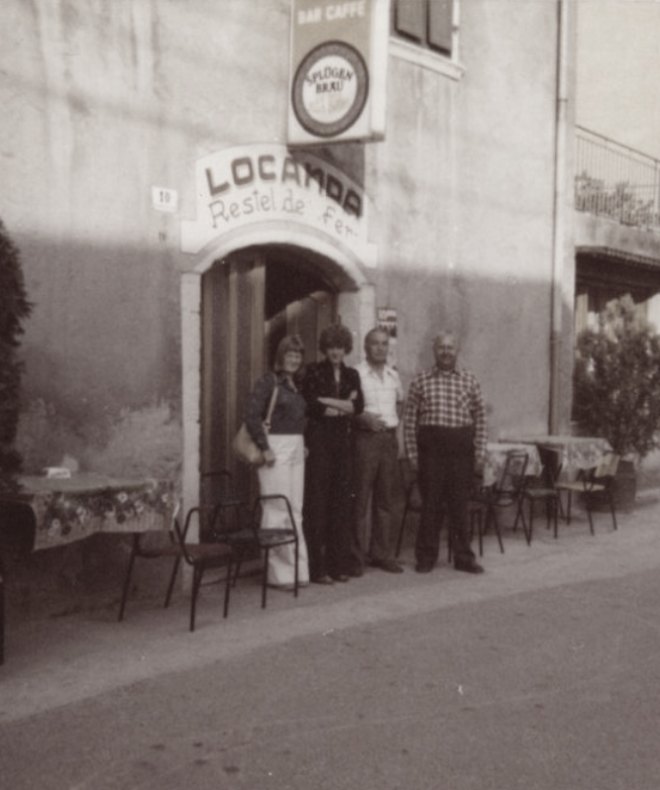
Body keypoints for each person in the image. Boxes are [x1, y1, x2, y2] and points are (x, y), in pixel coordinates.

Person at [403, 331, 486, 574]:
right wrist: (413, 456)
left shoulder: (469, 380)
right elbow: (409, 421)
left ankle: (463, 557)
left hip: (461, 451)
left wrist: (479, 452)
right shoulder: (421, 380)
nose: (446, 352)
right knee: (431, 506)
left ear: (457, 350)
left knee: (459, 506)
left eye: (450, 347)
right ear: (434, 350)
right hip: (432, 452)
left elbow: (480, 418)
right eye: (441, 347)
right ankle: (426, 557)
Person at [244, 334, 310, 589]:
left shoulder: (295, 384)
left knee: (296, 509)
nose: (294, 359)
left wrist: (302, 445)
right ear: (280, 356)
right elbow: (251, 415)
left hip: (295, 448)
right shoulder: (268, 381)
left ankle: (298, 570)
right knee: (275, 508)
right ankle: (278, 574)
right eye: (290, 354)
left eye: (298, 355)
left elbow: (299, 419)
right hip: (275, 448)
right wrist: (264, 447)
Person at [301, 324, 364, 584]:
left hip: (343, 444)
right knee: (317, 504)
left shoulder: (352, 374)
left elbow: (358, 406)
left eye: (340, 347)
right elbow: (310, 404)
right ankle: (318, 569)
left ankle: (338, 566)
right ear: (325, 348)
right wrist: (341, 404)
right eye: (331, 347)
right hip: (319, 443)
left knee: (341, 503)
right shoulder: (313, 371)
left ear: (346, 348)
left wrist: (328, 401)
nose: (335, 351)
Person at [350, 327, 405, 576]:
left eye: (384, 344)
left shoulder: (394, 376)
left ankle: (381, 554)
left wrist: (391, 427)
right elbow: (348, 408)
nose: (380, 348)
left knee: (386, 500)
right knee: (360, 499)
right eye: (375, 343)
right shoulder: (356, 374)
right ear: (365, 346)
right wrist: (363, 419)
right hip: (365, 440)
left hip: (388, 441)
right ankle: (355, 557)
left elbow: (400, 404)